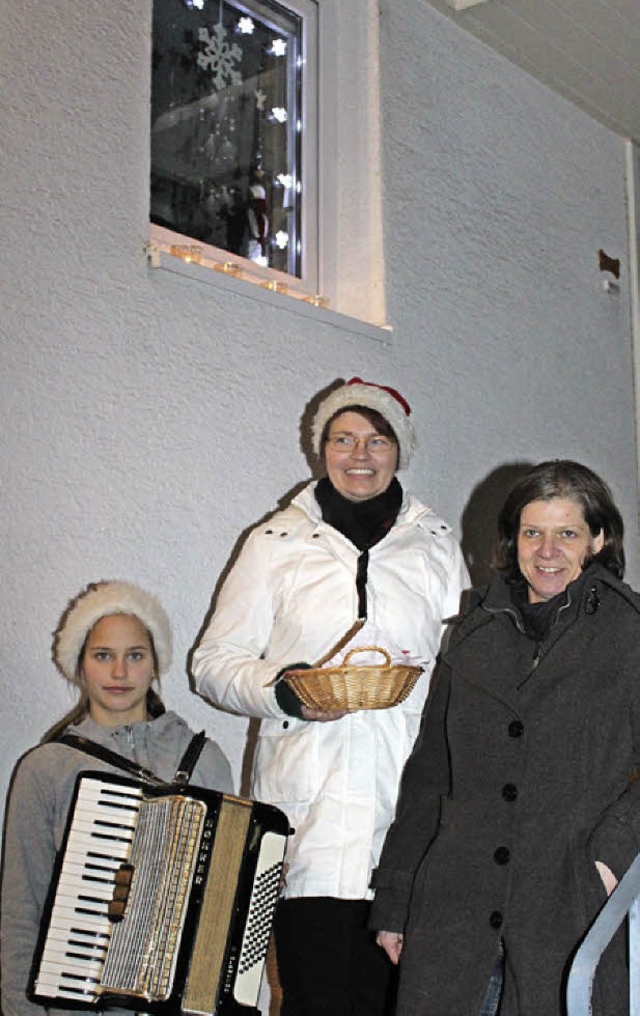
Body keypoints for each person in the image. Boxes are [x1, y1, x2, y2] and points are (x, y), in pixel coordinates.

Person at [191, 377, 469, 1015]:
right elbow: (212, 663)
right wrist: (283, 693)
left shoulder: (436, 545)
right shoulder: (275, 544)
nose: (359, 453)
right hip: (307, 819)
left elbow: (463, 672)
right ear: (321, 450)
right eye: (342, 439)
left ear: (400, 450)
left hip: (408, 820)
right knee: (314, 998)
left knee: (400, 1000)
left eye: (376, 439)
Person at [371, 459, 640, 1016]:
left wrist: (610, 856)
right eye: (532, 532)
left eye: (567, 533)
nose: (547, 551)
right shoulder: (474, 630)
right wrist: (397, 901)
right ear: (512, 540)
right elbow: (430, 774)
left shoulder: (628, 633)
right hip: (454, 909)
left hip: (568, 907)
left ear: (599, 539)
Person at [0, 580, 233, 1016]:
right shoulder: (45, 769)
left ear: (155, 664)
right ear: (80, 665)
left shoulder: (204, 761)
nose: (119, 673)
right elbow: (19, 912)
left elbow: (221, 908)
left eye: (135, 656)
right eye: (102, 655)